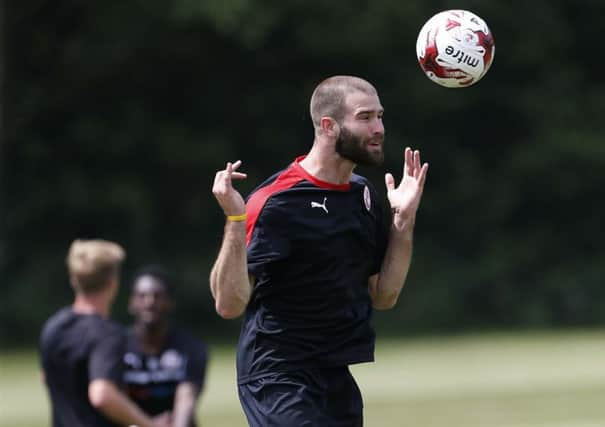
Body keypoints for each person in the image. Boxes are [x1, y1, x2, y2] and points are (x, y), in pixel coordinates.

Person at [210, 75, 429, 426]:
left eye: (380, 116)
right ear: (328, 126)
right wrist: (235, 218)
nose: (378, 128)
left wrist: (403, 221)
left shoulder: (364, 196)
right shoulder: (275, 203)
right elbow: (228, 303)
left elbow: (384, 295)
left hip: (334, 373)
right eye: (365, 117)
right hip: (277, 374)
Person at [39, 239, 170, 427]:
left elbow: (46, 376)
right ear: (113, 281)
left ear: (73, 279)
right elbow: (102, 394)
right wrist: (149, 424)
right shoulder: (107, 334)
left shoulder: (53, 326)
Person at [122, 265, 208, 427]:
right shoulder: (116, 347)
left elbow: (186, 399)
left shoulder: (190, 347)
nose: (150, 302)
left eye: (157, 296)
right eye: (142, 296)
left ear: (170, 302)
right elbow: (116, 400)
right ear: (131, 303)